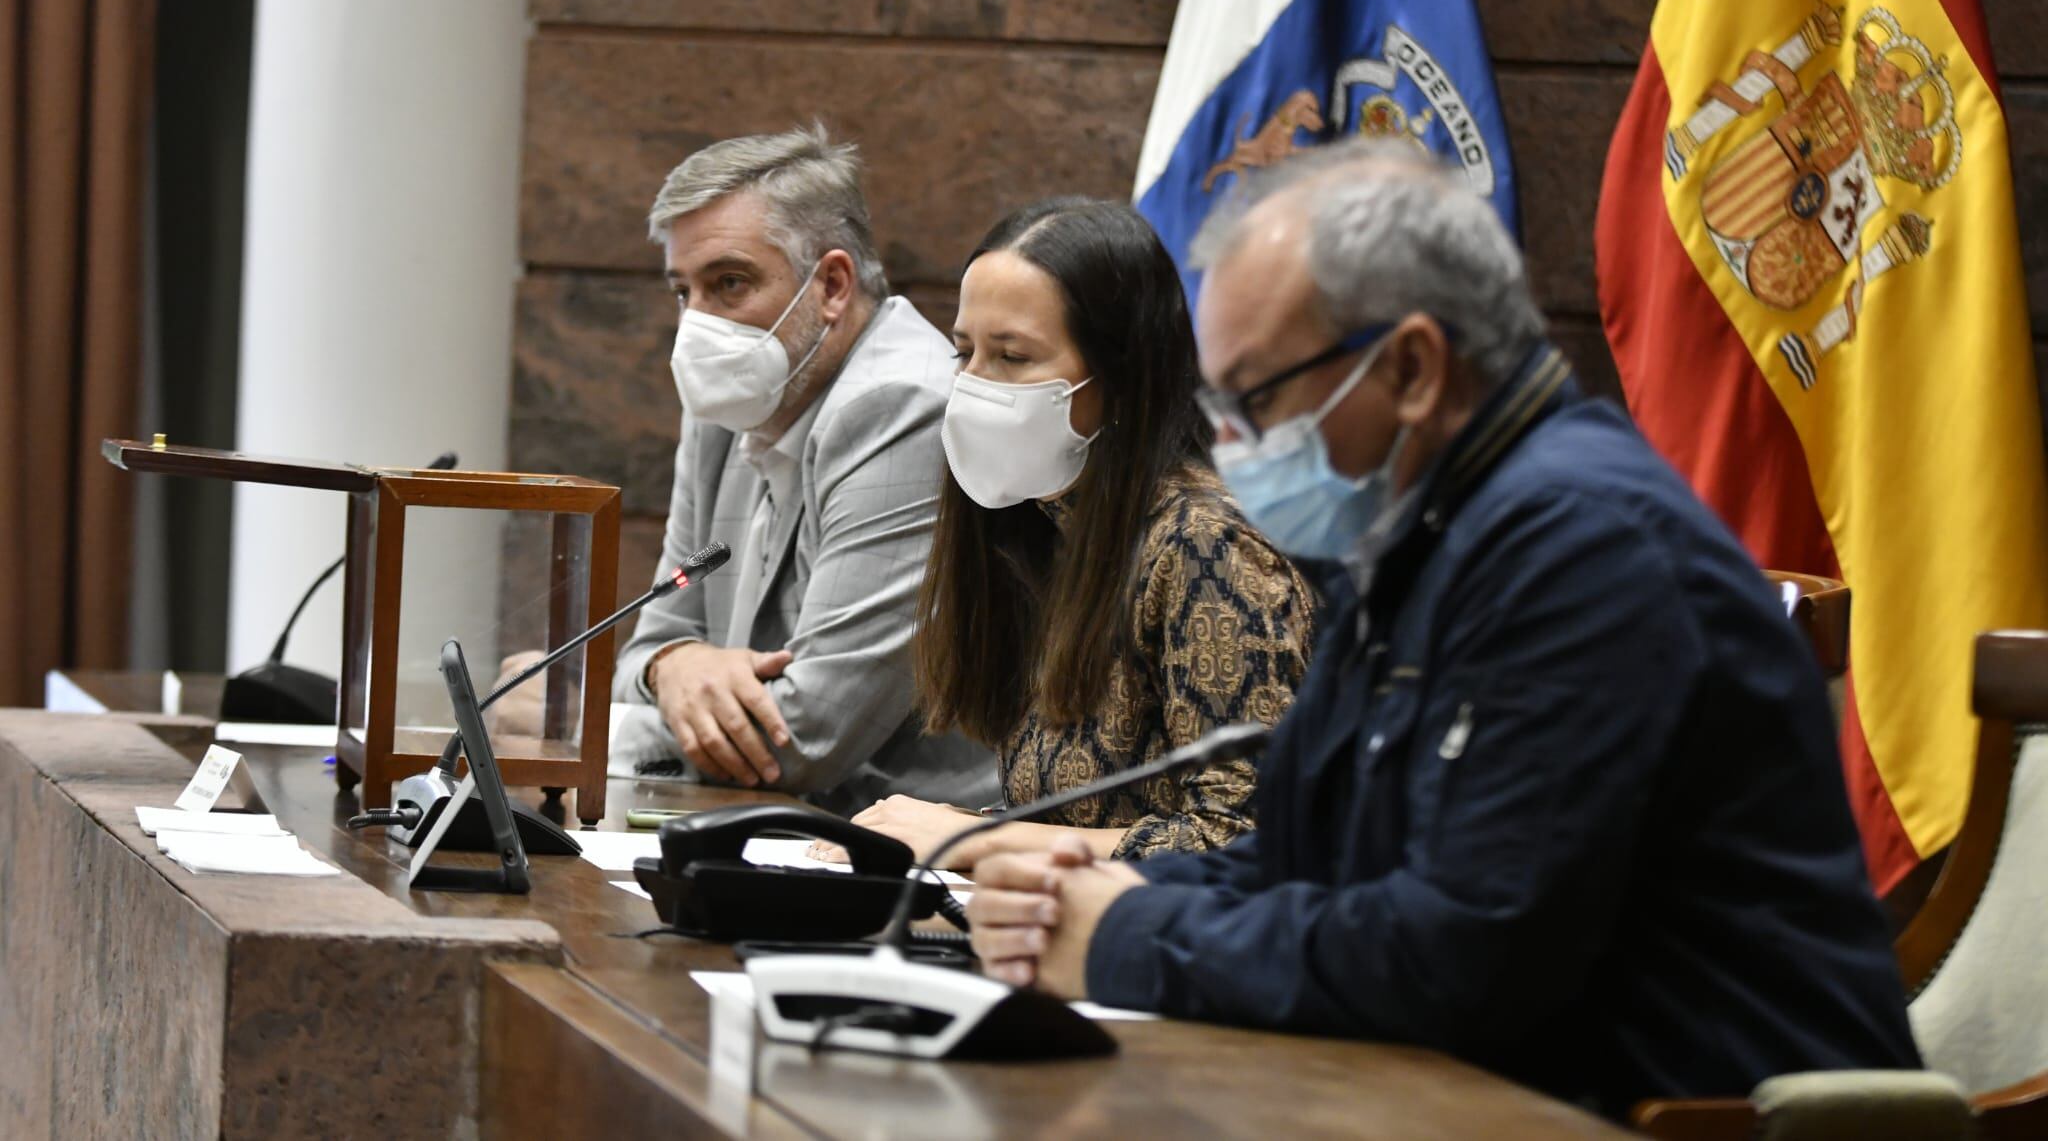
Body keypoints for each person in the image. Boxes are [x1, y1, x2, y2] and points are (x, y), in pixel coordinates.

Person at [965, 144, 1919, 1116]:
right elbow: (1304, 855)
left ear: (1412, 368)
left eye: (1255, 398)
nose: (1234, 443)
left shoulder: (1582, 551)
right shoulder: (1420, 534)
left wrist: (1128, 940)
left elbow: (1463, 954)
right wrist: (1111, 891)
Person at [829, 198, 1312, 870]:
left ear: (1118, 376)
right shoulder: (1047, 521)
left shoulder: (1208, 546)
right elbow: (1080, 818)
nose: (971, 387)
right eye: (964, 351)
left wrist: (979, 838)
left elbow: (1251, 841)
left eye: (1012, 355)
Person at [604, 123, 996, 814]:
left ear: (833, 285)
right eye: (682, 291)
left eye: (729, 283)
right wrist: (676, 665)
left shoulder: (902, 407)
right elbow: (651, 642)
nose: (696, 326)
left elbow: (804, 736)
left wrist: (589, 732)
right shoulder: (729, 402)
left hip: (917, 859)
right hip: (771, 829)